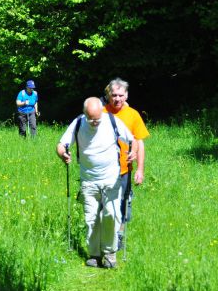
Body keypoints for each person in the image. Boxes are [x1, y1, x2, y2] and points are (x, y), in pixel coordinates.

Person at [56, 97, 134, 268]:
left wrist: (132, 153)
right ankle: (94, 254)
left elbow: (132, 140)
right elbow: (61, 144)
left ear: (102, 113)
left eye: (97, 118)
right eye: (90, 118)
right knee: (91, 219)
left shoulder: (112, 121)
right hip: (89, 181)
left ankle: (110, 253)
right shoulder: (78, 123)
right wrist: (63, 154)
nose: (94, 122)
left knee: (111, 215)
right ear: (85, 114)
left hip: (111, 179)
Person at [103, 78, 150, 249]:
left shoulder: (133, 115)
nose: (117, 99)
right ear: (108, 95)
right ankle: (105, 236)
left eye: (120, 95)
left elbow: (140, 142)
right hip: (104, 170)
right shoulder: (101, 113)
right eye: (114, 95)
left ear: (126, 95)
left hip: (124, 170)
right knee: (104, 205)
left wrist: (140, 170)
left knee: (122, 203)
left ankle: (119, 235)